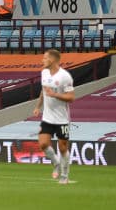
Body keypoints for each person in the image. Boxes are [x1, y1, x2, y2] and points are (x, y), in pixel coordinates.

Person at [33, 48, 75, 184]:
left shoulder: (65, 76)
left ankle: (65, 175)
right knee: (43, 143)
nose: (42, 60)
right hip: (47, 117)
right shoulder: (44, 72)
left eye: (45, 58)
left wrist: (55, 94)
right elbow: (43, 91)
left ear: (52, 60)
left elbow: (71, 97)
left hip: (62, 119)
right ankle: (56, 163)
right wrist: (38, 106)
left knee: (63, 147)